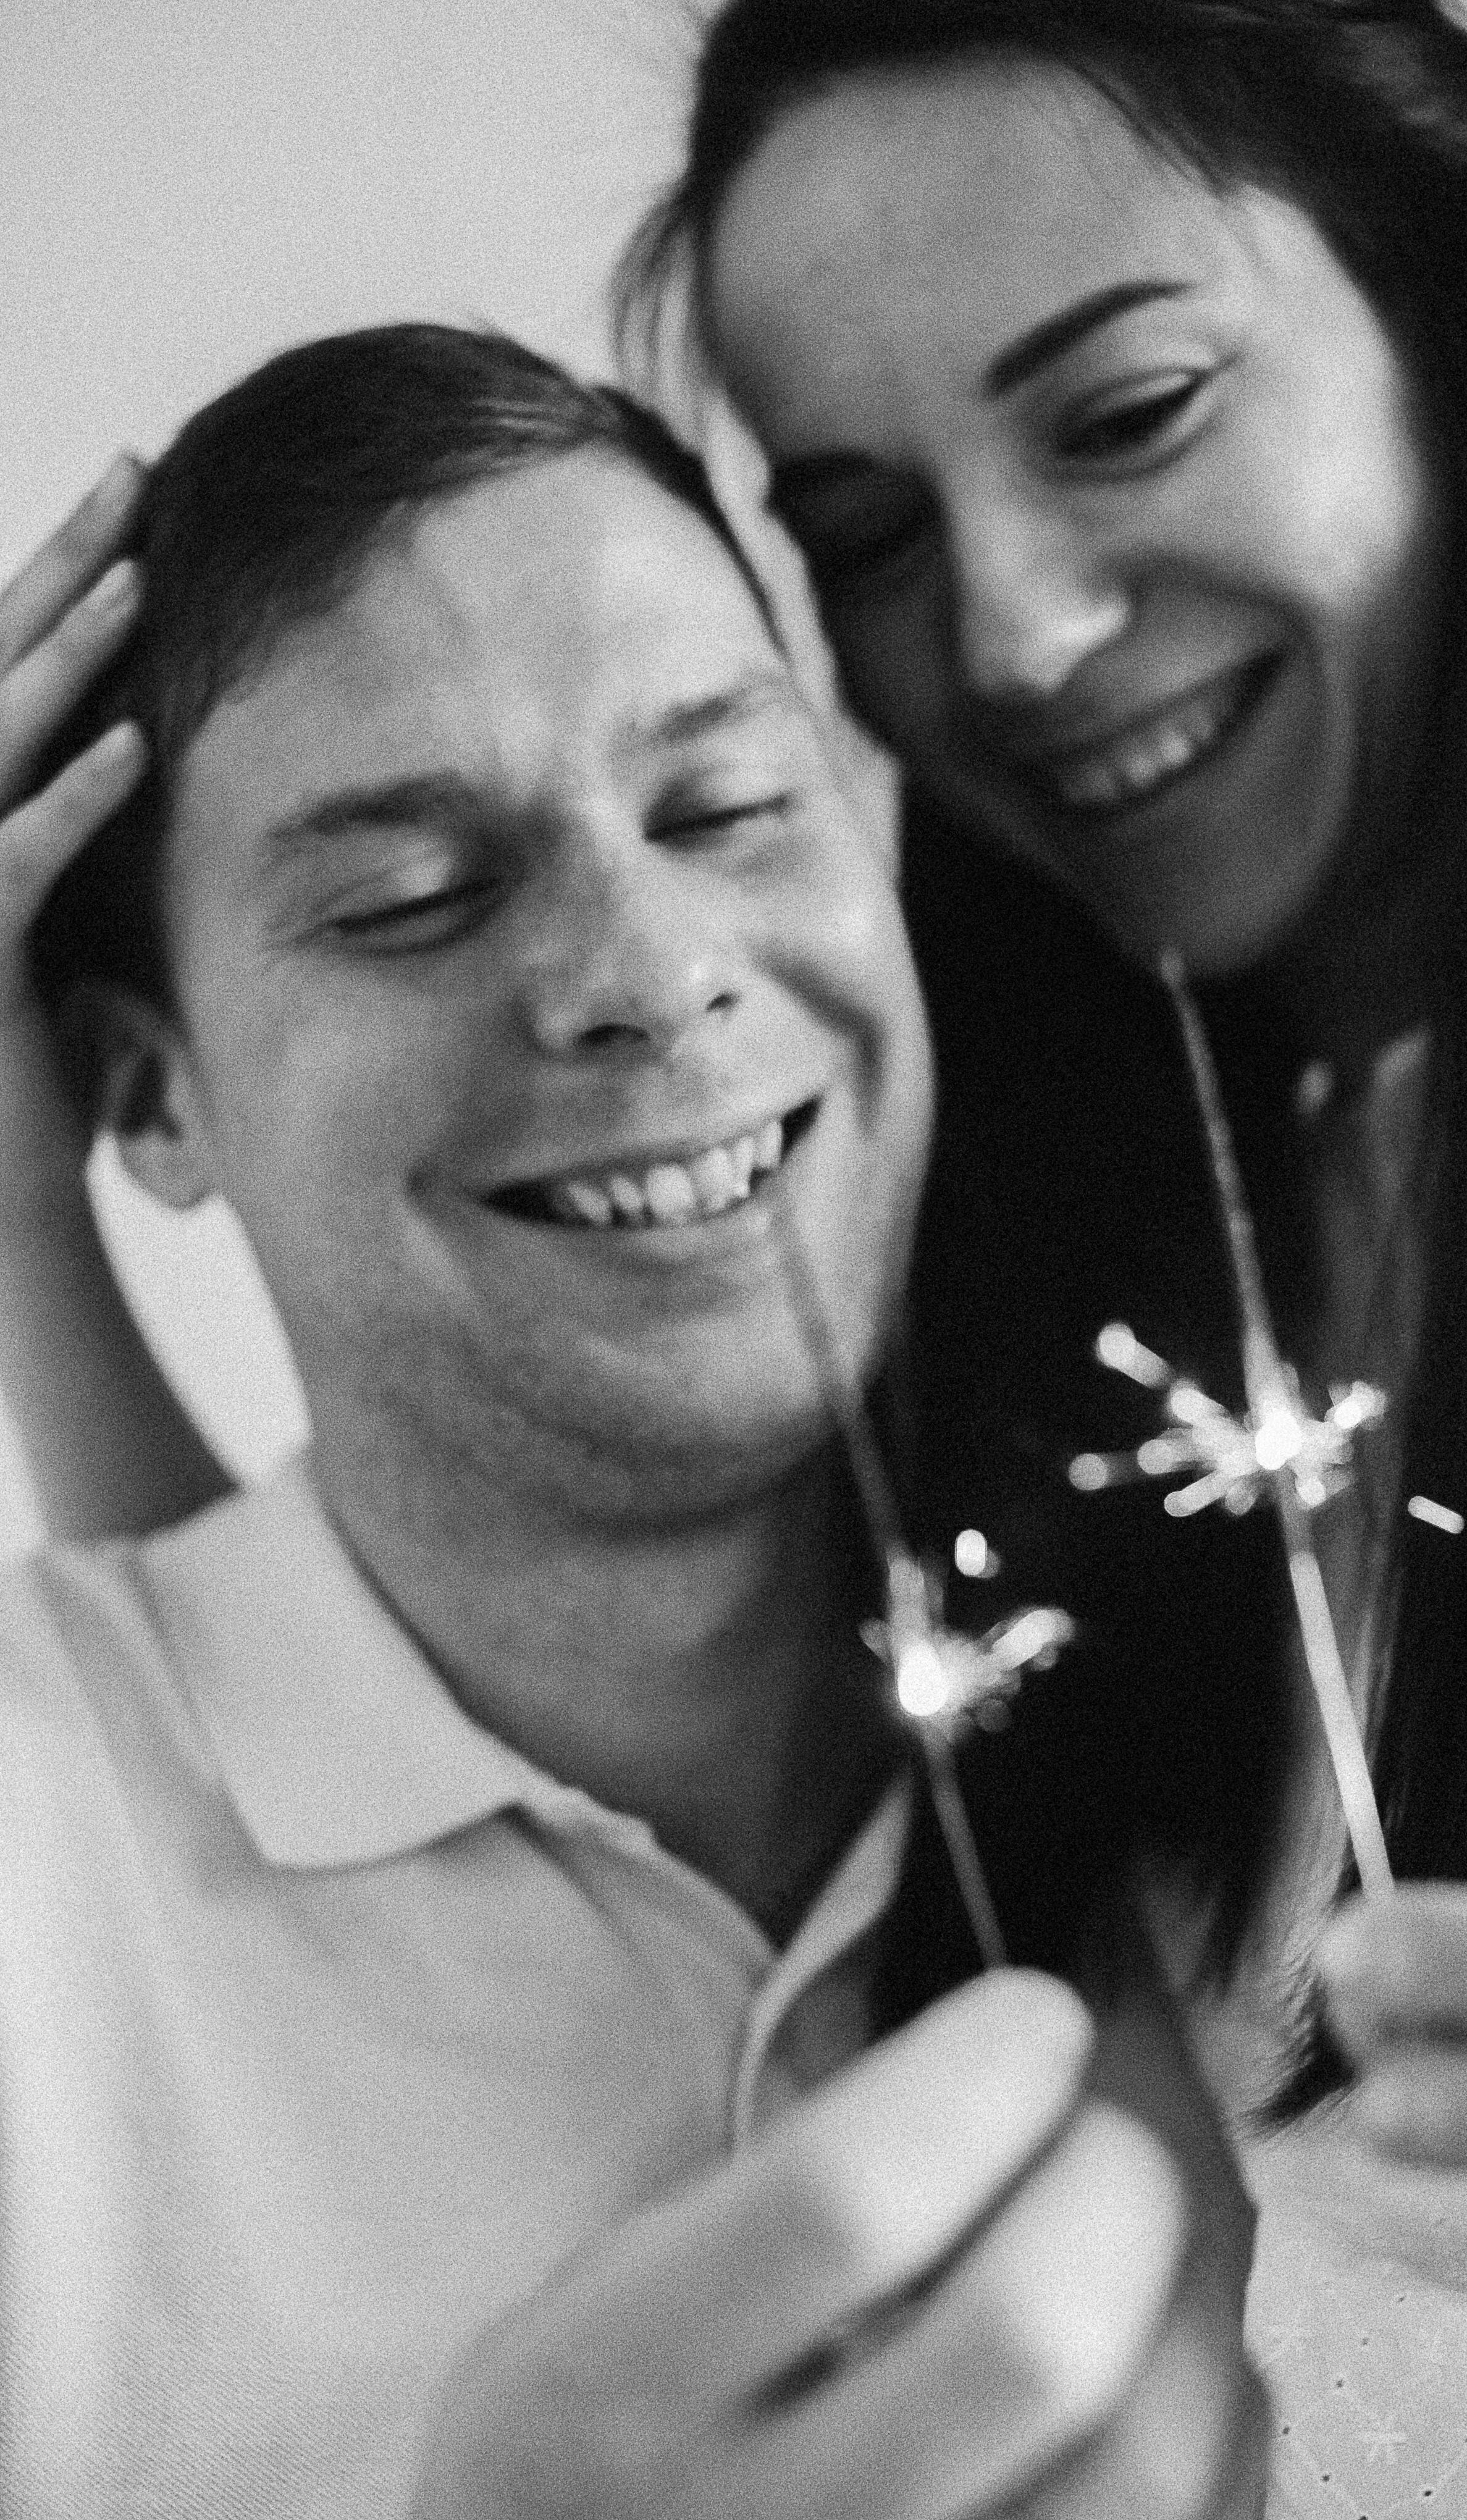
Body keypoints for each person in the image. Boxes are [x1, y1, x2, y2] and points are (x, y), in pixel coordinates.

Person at [0, 322, 1266, 2516]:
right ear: (146, 1091)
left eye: (726, 803)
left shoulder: (1288, 1707)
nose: (648, 962)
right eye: (413, 898)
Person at [603, 0, 1467, 2493]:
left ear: (1454, 316)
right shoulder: (1005, 1271)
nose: (1006, 637)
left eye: (1121, 413)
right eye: (866, 531)